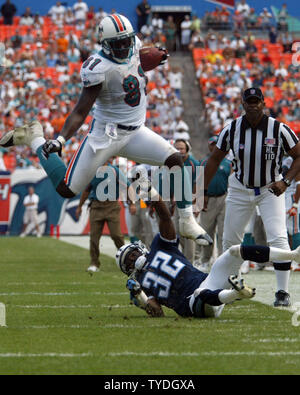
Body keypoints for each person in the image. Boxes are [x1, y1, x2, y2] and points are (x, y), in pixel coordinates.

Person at [0, 14, 212, 249]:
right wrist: (60, 139)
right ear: (105, 44)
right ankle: (34, 137)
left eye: (126, 41)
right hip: (105, 135)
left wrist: (154, 55)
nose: (123, 47)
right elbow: (81, 110)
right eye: (117, 43)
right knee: (66, 189)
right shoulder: (97, 67)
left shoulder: (134, 45)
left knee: (174, 158)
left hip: (135, 131)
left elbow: (139, 58)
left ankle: (187, 221)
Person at [116, 196, 300, 319]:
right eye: (128, 261)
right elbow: (157, 313)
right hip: (193, 305)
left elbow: (165, 218)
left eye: (132, 254)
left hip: (209, 280)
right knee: (200, 294)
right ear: (127, 269)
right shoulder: (139, 284)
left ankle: (292, 255)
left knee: (234, 251)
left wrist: (154, 197)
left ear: (140, 249)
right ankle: (236, 293)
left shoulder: (159, 246)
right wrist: (141, 296)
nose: (133, 259)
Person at [203, 87, 300, 307]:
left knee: (278, 237)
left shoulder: (279, 129)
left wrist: (285, 181)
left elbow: (298, 156)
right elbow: (214, 159)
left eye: (257, 101)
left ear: (264, 104)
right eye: (249, 102)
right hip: (240, 188)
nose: (253, 105)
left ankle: (282, 292)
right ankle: (231, 287)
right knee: (230, 240)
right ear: (243, 104)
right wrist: (204, 191)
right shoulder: (232, 129)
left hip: (270, 188)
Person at [76, 158, 131, 274]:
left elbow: (127, 186)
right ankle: (94, 263)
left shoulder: (115, 171)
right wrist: (79, 206)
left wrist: (132, 203)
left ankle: (126, 261)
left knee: (116, 235)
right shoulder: (93, 172)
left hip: (112, 205)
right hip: (96, 206)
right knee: (94, 238)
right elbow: (86, 191)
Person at [196, 136, 231, 271]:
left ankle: (222, 260)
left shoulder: (228, 163)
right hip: (207, 199)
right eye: (212, 144)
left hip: (223, 198)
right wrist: (199, 202)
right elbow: (199, 183)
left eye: (217, 144)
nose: (215, 147)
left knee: (223, 231)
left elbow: (231, 181)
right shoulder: (203, 162)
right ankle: (205, 259)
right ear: (209, 146)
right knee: (207, 231)